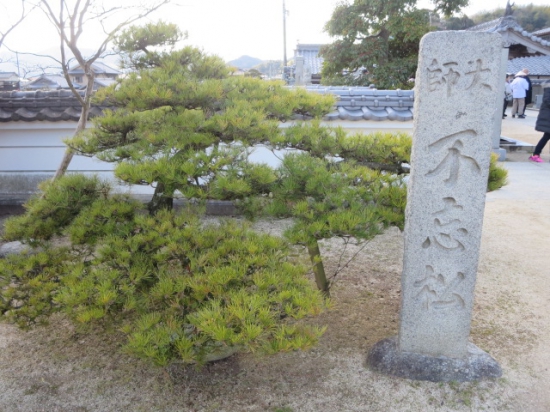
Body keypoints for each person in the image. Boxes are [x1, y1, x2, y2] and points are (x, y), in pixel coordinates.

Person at [528, 88, 550, 163]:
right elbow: (547, 101)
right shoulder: (548, 90)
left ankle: (536, 154)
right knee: (546, 136)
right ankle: (536, 154)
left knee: (546, 136)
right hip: (548, 117)